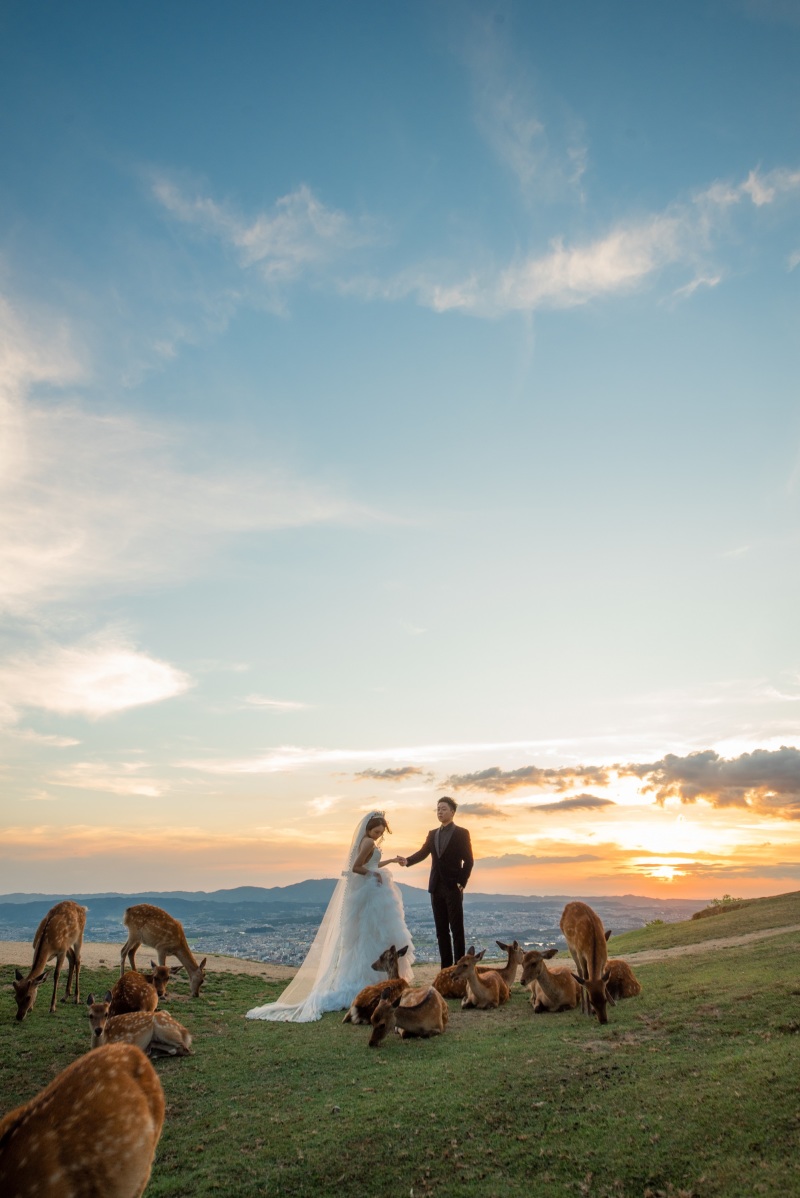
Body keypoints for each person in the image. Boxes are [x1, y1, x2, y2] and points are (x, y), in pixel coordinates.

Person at [246, 812, 414, 1022]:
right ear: (368, 829)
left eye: (381, 833)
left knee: (366, 937)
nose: (378, 836)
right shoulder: (368, 842)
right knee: (374, 935)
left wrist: (388, 861)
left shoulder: (366, 841)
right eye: (376, 831)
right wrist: (375, 875)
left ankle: (371, 981)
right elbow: (357, 868)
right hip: (371, 892)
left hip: (370, 890)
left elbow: (370, 864)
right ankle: (375, 982)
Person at [397, 797, 473, 969]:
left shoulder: (462, 833)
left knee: (457, 930)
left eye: (443, 809)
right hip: (435, 888)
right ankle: (445, 969)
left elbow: (469, 861)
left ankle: (459, 968)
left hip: (453, 888)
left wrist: (461, 883)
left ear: (453, 812)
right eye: (438, 809)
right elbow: (423, 852)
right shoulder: (432, 834)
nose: (440, 812)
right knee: (441, 932)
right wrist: (407, 861)